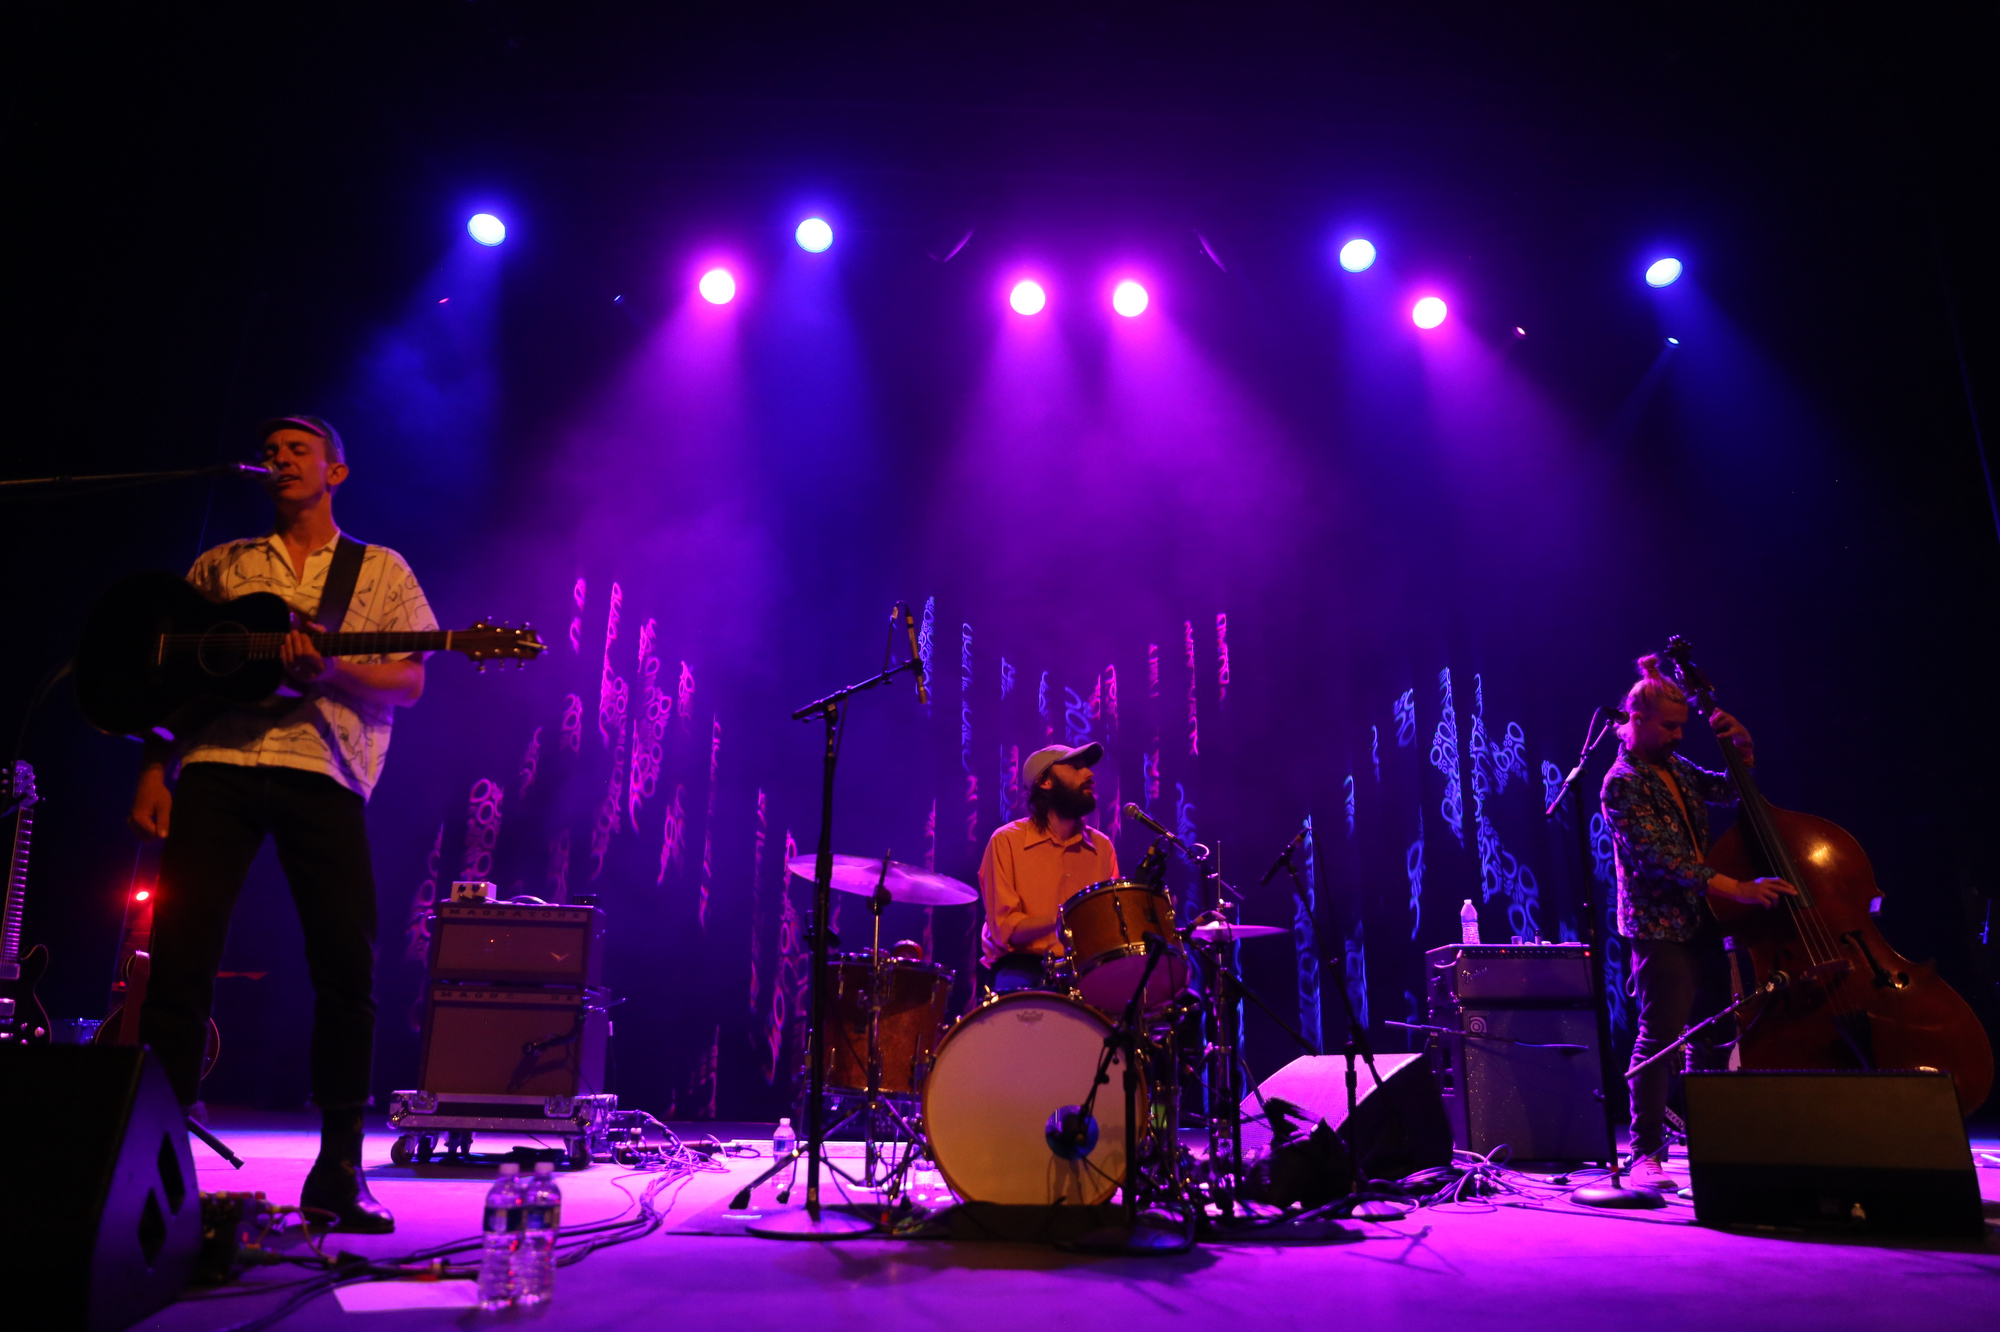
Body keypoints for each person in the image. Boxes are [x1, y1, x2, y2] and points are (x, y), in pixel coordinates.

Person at [128, 415, 437, 1233]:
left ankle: (338, 1166)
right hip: (220, 769)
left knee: (346, 965)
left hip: (322, 772)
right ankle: (159, 1159)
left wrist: (329, 667)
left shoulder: (379, 572)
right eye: (270, 452)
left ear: (337, 471)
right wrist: (155, 765)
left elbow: (409, 679)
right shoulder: (221, 565)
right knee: (183, 958)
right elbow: (177, 679)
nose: (279, 461)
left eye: (298, 450)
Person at [1599, 654, 1795, 1193]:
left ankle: (1714, 1135)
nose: (1680, 736)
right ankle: (1644, 1152)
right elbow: (1663, 858)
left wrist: (1743, 746)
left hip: (1703, 918)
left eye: (1683, 726)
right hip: (1659, 926)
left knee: (1716, 1030)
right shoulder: (1621, 783)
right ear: (1636, 720)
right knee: (1660, 1035)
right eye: (1670, 726)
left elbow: (1731, 791)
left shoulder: (1677, 768)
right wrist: (1740, 890)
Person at [977, 742, 1118, 994]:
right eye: (1076, 767)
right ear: (1045, 782)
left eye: (1087, 767)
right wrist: (1066, 918)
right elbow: (1006, 931)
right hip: (1024, 965)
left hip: (1086, 968)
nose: (1089, 774)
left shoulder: (1102, 847)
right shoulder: (1006, 841)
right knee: (1015, 996)